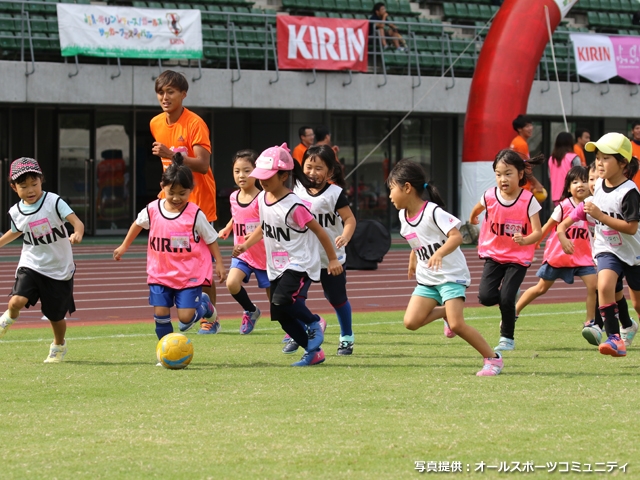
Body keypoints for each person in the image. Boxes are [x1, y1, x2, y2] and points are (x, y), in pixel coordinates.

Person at [388, 159, 503, 376]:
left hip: (451, 276)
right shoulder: (403, 216)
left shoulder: (433, 212)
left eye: (391, 189)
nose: (390, 195)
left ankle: (493, 359)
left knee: (458, 325)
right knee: (411, 322)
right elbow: (418, 240)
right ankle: (445, 312)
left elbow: (457, 237)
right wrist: (413, 256)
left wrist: (439, 253)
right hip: (427, 278)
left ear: (407, 188)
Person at [232, 144, 343, 367]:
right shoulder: (263, 198)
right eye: (260, 176)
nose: (262, 181)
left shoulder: (294, 205)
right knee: (281, 314)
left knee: (283, 299)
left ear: (284, 176)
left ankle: (315, 321)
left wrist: (332, 258)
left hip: (299, 262)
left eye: (268, 176)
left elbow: (320, 232)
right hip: (277, 265)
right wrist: (245, 245)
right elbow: (263, 228)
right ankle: (314, 353)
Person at [113, 153, 227, 358]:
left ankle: (204, 304)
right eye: (171, 192)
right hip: (160, 274)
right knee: (161, 314)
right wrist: (123, 247)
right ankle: (165, 352)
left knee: (185, 320)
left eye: (182, 193)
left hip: (187, 276)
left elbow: (211, 239)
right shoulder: (152, 209)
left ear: (191, 191)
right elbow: (137, 225)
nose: (176, 198)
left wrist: (219, 263)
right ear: (162, 187)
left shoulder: (195, 214)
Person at [149, 70, 221, 334]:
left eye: (171, 92)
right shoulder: (156, 123)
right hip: (170, 202)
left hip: (199, 202)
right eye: (161, 92)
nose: (165, 97)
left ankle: (209, 318)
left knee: (202, 265)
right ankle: (184, 307)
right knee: (173, 258)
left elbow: (203, 165)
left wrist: (172, 155)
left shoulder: (195, 123)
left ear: (183, 94)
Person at [557, 133, 640, 357]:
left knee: (638, 304)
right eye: (598, 158)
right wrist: (562, 229)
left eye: (606, 158)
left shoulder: (629, 192)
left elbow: (631, 228)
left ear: (623, 163)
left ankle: (629, 327)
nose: (599, 163)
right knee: (603, 287)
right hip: (607, 248)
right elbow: (577, 215)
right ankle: (615, 339)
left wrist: (601, 216)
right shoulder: (599, 185)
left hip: (633, 253)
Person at [0, 157, 84, 363]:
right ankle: (8, 317)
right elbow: (15, 231)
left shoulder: (53, 202)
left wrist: (77, 233)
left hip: (59, 269)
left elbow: (76, 222)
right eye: (23, 186)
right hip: (32, 264)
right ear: (14, 187)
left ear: (41, 181)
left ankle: (58, 346)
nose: (30, 190)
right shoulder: (16, 211)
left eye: (34, 184)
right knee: (16, 301)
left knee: (55, 316)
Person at [287, 144, 357, 355]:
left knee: (337, 299)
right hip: (304, 257)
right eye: (309, 166)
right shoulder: (297, 188)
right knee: (294, 298)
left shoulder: (335, 194)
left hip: (330, 259)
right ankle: (307, 327)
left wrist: (344, 236)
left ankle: (347, 337)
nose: (312, 172)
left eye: (319, 168)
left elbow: (350, 219)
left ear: (330, 171)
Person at [470, 149, 543, 351]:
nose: (503, 179)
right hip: (494, 254)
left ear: (520, 174)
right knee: (485, 297)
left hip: (518, 258)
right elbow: (477, 208)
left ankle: (507, 338)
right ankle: (510, 294)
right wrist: (473, 217)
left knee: (507, 298)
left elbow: (538, 232)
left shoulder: (528, 201)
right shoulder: (490, 196)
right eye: (498, 174)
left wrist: (526, 239)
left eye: (508, 173)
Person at [516, 166, 596, 324]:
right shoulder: (564, 206)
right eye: (575, 182)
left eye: (585, 181)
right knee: (541, 288)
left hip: (582, 257)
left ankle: (590, 322)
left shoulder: (593, 206)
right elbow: (546, 227)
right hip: (559, 257)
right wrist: (533, 244)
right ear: (568, 187)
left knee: (594, 286)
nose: (580, 185)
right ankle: (515, 310)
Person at [218, 150, 270, 335]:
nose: (241, 175)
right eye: (237, 171)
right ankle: (251, 310)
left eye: (247, 171)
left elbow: (266, 224)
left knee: (276, 299)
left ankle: (290, 326)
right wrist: (227, 227)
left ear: (257, 172)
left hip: (265, 255)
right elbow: (237, 216)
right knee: (232, 283)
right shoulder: (233, 197)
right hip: (243, 254)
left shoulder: (263, 198)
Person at [510, 115, 545, 198]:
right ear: (519, 129)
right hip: (522, 186)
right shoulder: (521, 144)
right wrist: (536, 183)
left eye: (530, 125)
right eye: (527, 126)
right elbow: (524, 167)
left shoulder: (516, 141)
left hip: (518, 184)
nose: (531, 128)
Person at [548, 132, 582, 206]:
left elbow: (550, 176)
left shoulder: (551, 159)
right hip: (571, 195)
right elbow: (580, 176)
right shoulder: (574, 157)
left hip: (556, 196)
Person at [630, 121, 640, 191]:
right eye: (637, 128)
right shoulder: (629, 146)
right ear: (632, 131)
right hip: (633, 186)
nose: (639, 130)